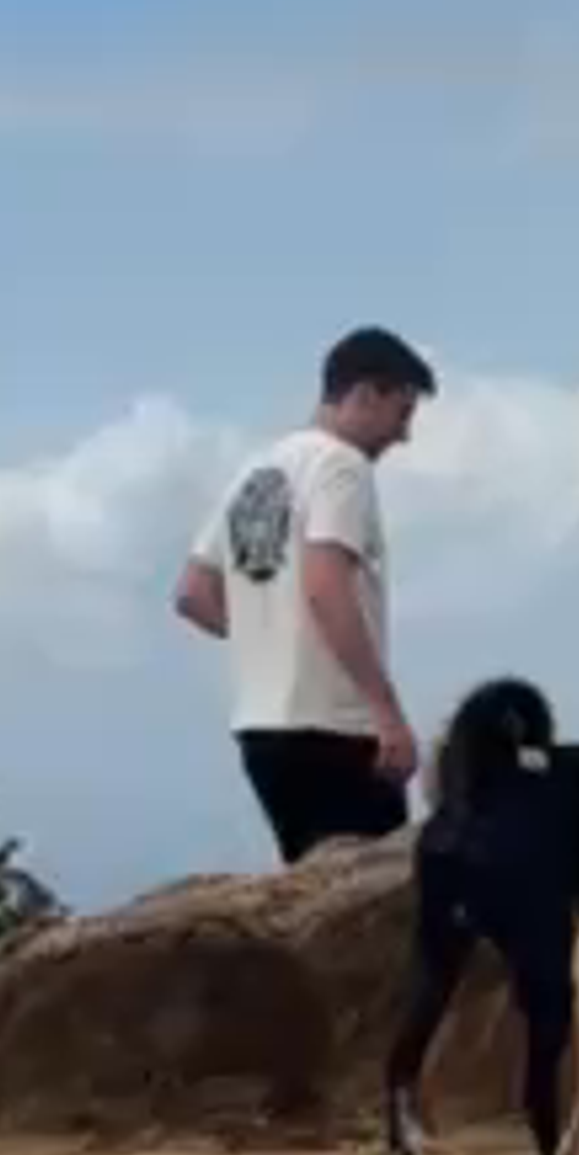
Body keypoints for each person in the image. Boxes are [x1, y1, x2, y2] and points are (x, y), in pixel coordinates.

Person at [174, 326, 435, 860]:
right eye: (402, 413)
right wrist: (386, 714)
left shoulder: (258, 473)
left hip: (262, 729)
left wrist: (269, 632)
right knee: (376, 896)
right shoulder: (341, 465)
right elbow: (325, 582)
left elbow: (193, 593)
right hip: (335, 727)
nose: (403, 435)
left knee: (311, 885)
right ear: (366, 394)